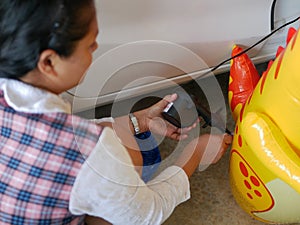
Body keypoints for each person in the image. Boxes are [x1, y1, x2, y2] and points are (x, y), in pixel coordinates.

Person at [0, 1, 232, 224]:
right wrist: (195, 152)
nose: (96, 48)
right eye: (89, 45)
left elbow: (66, 135)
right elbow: (146, 215)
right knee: (132, 158)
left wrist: (139, 120)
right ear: (49, 62)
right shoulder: (90, 151)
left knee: (127, 154)